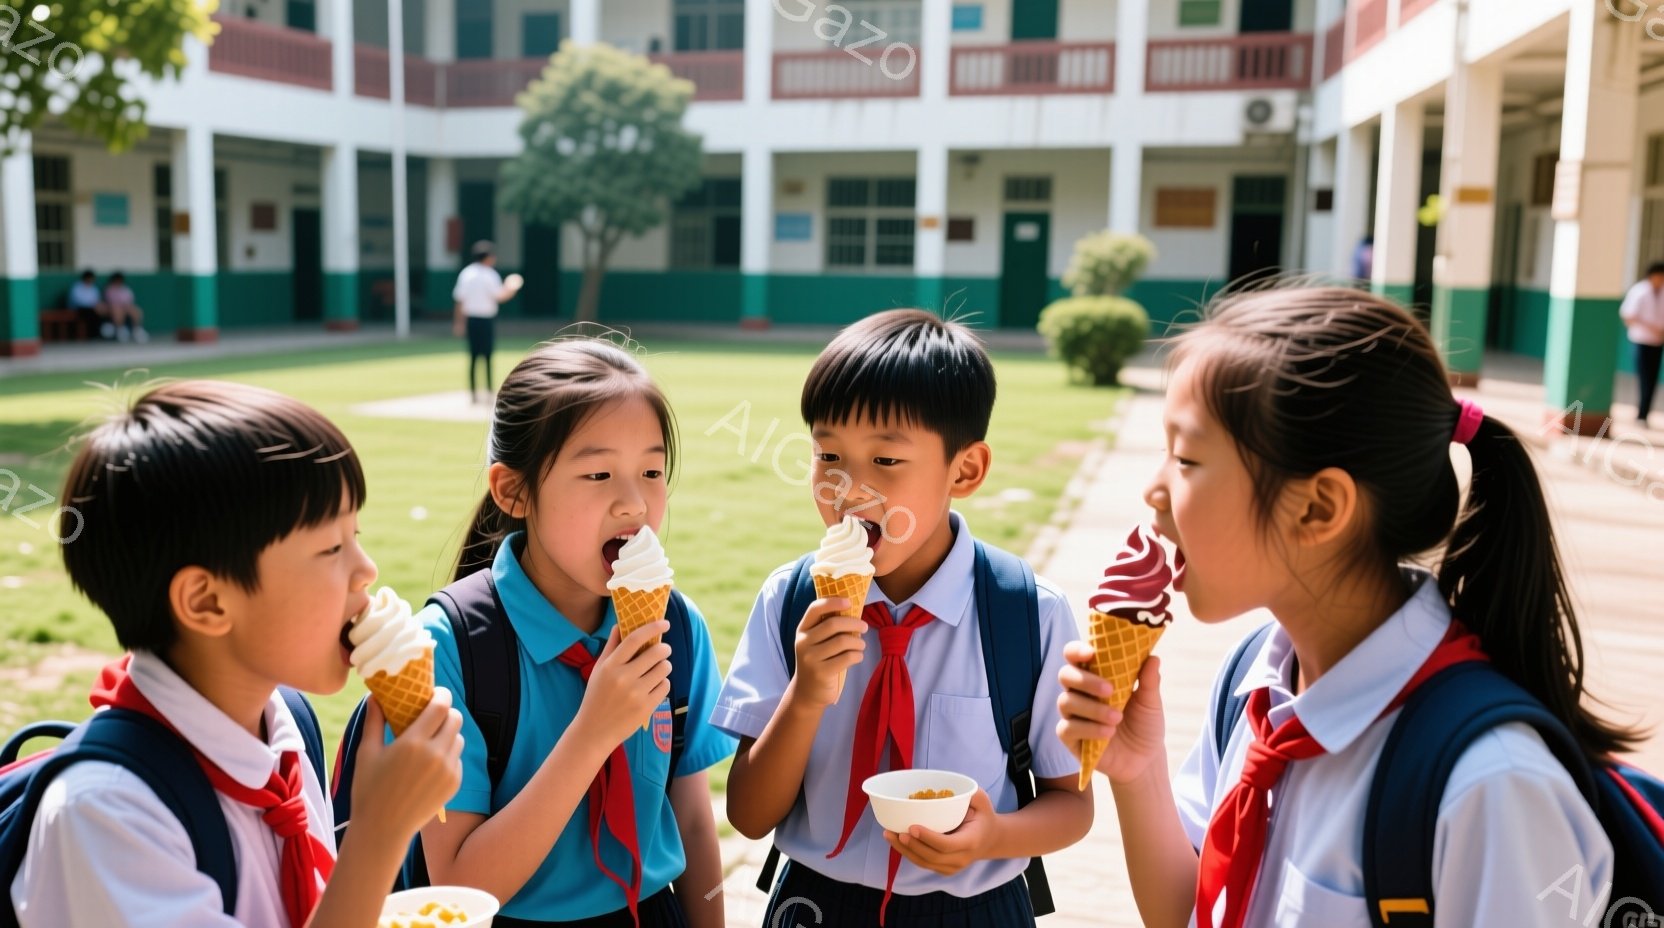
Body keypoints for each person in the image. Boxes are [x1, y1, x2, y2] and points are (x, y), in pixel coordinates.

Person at [1057, 291, 1630, 927]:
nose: (1153, 488)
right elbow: (1192, 911)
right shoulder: (1256, 685)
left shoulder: (1490, 786)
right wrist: (1137, 775)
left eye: (1187, 458)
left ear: (1319, 508)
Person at [10, 380, 465, 927]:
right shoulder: (104, 816)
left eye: (357, 533)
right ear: (206, 601)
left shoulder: (284, 722)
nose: (366, 570)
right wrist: (379, 831)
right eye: (331, 547)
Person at [715, 309, 1090, 928]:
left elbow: (1071, 807)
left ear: (964, 470)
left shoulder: (1028, 614)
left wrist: (992, 836)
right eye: (828, 454)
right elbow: (750, 816)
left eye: (886, 462)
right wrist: (808, 695)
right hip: (816, 902)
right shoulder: (790, 599)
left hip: (975, 906)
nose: (849, 488)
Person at [416, 339, 736, 928]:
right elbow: (460, 887)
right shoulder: (446, 648)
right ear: (512, 490)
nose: (634, 502)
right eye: (597, 473)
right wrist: (593, 734)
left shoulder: (676, 625)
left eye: (651, 471)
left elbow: (691, 822)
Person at [452, 241, 523, 403]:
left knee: (473, 357)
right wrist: (511, 287)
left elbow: (459, 301)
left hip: (471, 320)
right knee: (488, 356)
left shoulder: (466, 274)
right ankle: (489, 390)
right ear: (488, 257)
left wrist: (459, 323)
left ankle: (473, 393)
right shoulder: (490, 275)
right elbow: (500, 296)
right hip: (485, 321)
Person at [1620, 260, 1664, 425]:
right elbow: (1628, 316)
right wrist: (1651, 327)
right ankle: (1641, 414)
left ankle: (1644, 413)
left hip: (1658, 341)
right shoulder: (1639, 291)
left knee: (1652, 379)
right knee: (1644, 377)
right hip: (1641, 341)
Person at [102, 272, 150, 343]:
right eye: (116, 280)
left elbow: (129, 300)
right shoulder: (109, 289)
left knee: (135, 310)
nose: (118, 282)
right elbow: (111, 301)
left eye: (120, 280)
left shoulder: (126, 289)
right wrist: (121, 305)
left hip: (126, 307)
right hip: (114, 308)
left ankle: (137, 330)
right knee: (117, 310)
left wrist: (125, 306)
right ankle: (120, 330)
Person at [66, 269, 108, 339]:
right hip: (78, 309)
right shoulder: (77, 287)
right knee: (92, 313)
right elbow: (77, 301)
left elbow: (96, 300)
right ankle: (92, 334)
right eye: (90, 278)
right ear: (85, 278)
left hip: (92, 308)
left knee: (102, 311)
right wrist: (92, 305)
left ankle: (104, 332)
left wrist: (98, 306)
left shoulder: (93, 288)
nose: (91, 280)